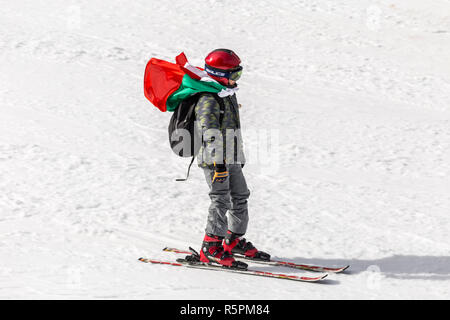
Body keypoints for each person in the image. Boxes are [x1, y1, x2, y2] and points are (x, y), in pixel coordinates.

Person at [194, 49, 270, 268]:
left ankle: (232, 240)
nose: (236, 79)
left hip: (232, 156)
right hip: (215, 160)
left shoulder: (226, 92)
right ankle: (211, 246)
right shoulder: (208, 99)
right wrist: (219, 164)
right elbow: (209, 133)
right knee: (220, 199)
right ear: (218, 73)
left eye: (239, 74)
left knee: (240, 195)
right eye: (234, 75)